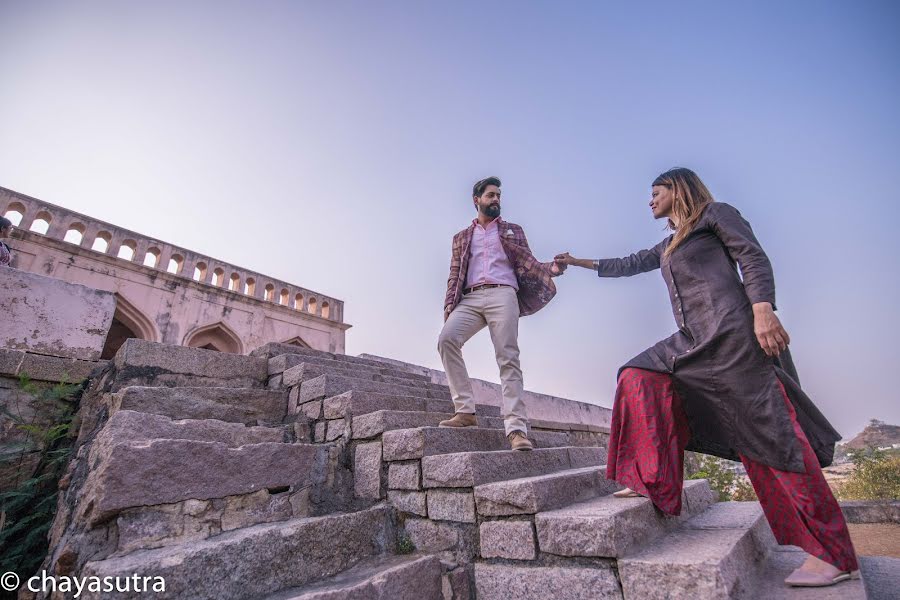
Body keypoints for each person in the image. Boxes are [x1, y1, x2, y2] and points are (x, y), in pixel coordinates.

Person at [555, 167, 858, 588]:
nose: (649, 200)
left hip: (735, 337)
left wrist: (763, 308)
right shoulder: (669, 243)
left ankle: (832, 555)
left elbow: (751, 255)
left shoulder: (715, 215)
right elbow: (627, 264)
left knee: (772, 439)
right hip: (694, 341)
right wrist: (576, 262)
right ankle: (654, 478)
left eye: (655, 192)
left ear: (677, 190)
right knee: (638, 374)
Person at [438, 176, 566, 451]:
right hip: (470, 298)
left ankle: (516, 430)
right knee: (446, 339)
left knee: (508, 357)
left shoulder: (512, 230)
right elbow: (453, 275)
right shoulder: (461, 237)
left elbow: (529, 262)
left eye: (498, 195)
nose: (496, 199)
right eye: (491, 195)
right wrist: (449, 306)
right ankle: (465, 412)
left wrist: (552, 270)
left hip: (503, 294)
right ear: (477, 200)